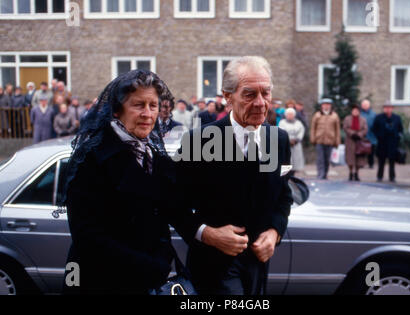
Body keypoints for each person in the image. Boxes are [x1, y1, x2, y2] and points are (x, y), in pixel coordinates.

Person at [63, 70, 200, 295]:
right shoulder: (91, 158)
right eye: (138, 105)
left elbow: (172, 208)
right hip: (101, 280)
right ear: (117, 110)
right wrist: (150, 266)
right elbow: (87, 236)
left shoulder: (154, 155)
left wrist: (205, 232)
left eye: (153, 105)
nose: (147, 113)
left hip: (149, 280)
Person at [176, 56, 293, 295]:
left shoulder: (278, 140)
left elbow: (284, 197)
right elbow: (172, 204)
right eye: (250, 94)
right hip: (211, 271)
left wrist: (274, 232)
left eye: (266, 93)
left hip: (256, 269)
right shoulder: (199, 141)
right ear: (228, 97)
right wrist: (208, 234)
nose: (261, 103)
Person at [310, 98, 341, 180]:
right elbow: (313, 128)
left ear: (330, 106)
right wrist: (313, 139)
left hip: (330, 141)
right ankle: (320, 174)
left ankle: (325, 174)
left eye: (328, 104)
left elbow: (337, 130)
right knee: (320, 159)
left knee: (327, 159)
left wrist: (337, 141)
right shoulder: (317, 115)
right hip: (319, 140)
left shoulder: (334, 116)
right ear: (322, 106)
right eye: (324, 104)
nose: (326, 106)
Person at [373, 101, 404, 183]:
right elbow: (374, 129)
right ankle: (379, 176)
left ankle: (392, 177)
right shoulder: (379, 117)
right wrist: (379, 136)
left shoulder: (396, 118)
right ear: (383, 108)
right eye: (386, 108)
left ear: (392, 108)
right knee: (381, 162)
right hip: (382, 143)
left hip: (392, 143)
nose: (388, 109)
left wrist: (397, 137)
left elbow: (401, 129)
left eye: (389, 107)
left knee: (392, 162)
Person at [343, 105, 368, 181]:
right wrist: (352, 133)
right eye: (354, 110)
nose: (355, 112)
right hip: (350, 141)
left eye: (357, 111)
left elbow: (365, 129)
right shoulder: (347, 119)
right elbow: (345, 127)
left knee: (359, 159)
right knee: (350, 158)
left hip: (359, 141)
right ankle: (350, 172)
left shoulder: (363, 120)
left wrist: (359, 134)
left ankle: (356, 173)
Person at [279, 108, 305, 172]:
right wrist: (288, 140)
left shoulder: (298, 123)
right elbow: (281, 132)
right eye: (288, 114)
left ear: (294, 115)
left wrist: (296, 140)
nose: (290, 116)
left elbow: (301, 131)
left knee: (295, 161)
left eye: (291, 114)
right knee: (287, 160)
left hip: (296, 144)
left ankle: (294, 173)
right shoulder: (282, 122)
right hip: (286, 143)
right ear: (286, 115)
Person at [360, 99, 377, 168]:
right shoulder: (360, 113)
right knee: (361, 150)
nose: (365, 106)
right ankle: (361, 164)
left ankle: (371, 164)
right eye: (363, 105)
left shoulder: (373, 114)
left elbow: (376, 125)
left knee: (371, 151)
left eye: (366, 105)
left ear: (369, 105)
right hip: (362, 135)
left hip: (371, 135)